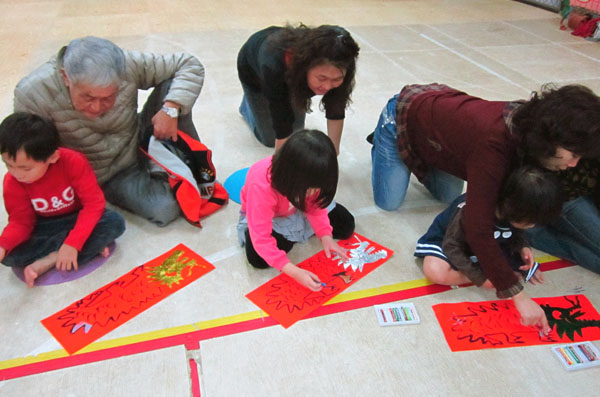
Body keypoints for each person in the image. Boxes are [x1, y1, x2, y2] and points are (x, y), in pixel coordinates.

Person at [370, 83, 600, 333]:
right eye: (572, 154)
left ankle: (435, 151)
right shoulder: (494, 144)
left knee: (446, 193)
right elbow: (477, 227)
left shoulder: (531, 133)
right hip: (405, 114)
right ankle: (382, 138)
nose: (574, 163)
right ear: (550, 138)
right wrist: (518, 296)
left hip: (442, 137)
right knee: (389, 201)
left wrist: (519, 244)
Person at [14, 36, 205, 226]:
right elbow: (25, 154)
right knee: (164, 208)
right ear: (66, 77)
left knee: (175, 91)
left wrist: (170, 109)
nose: (97, 107)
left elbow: (190, 65)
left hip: (136, 135)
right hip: (104, 173)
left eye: (109, 97)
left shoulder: (127, 64)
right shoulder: (33, 92)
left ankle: (189, 165)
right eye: (88, 97)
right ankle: (168, 170)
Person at [0, 113, 125, 287]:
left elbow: (93, 205)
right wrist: (3, 246)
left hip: (77, 216)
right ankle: (86, 247)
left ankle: (52, 258)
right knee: (10, 256)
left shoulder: (73, 162)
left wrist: (73, 243)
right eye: (8, 165)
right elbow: (21, 222)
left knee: (114, 223)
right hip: (44, 225)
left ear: (52, 157)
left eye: (25, 168)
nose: (16, 173)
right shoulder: (13, 181)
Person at [237, 129, 355, 291]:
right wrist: (293, 271)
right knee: (258, 257)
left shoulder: (307, 180)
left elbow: (316, 206)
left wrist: (326, 236)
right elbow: (262, 238)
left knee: (346, 224)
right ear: (293, 179)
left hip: (296, 207)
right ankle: (256, 232)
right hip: (273, 218)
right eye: (311, 189)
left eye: (318, 188)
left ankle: (299, 229)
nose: (315, 192)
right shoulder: (262, 186)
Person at [415, 166, 563, 290]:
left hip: (488, 244)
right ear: (512, 207)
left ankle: (488, 266)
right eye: (530, 221)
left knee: (517, 261)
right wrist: (481, 278)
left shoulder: (511, 210)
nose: (532, 226)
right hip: (449, 241)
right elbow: (451, 246)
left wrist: (523, 247)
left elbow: (515, 233)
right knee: (435, 272)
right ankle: (480, 270)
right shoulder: (471, 210)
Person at [237, 24, 359, 153]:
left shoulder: (342, 60)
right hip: (255, 73)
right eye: (322, 78)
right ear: (305, 67)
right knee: (269, 138)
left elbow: (336, 106)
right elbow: (282, 121)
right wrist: (280, 167)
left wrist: (333, 154)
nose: (328, 86)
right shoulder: (274, 66)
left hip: (290, 75)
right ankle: (248, 106)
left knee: (296, 134)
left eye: (336, 80)